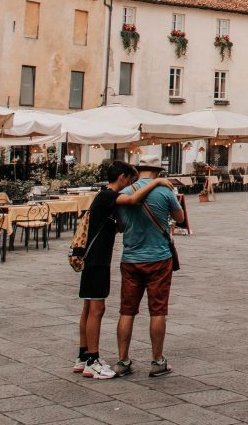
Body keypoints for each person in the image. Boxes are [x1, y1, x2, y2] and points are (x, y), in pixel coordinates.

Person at [74, 162, 170, 380]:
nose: (132, 184)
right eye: (131, 179)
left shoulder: (103, 197)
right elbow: (134, 199)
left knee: (88, 307)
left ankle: (82, 355)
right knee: (96, 309)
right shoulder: (108, 196)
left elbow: (120, 225)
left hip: (93, 258)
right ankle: (92, 360)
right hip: (97, 260)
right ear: (123, 177)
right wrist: (156, 181)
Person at [114, 162, 185, 379]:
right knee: (158, 310)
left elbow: (120, 227)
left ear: (137, 171)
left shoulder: (125, 191)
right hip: (158, 258)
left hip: (131, 258)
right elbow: (180, 219)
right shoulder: (164, 190)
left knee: (127, 311)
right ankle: (157, 360)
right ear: (158, 173)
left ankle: (123, 360)